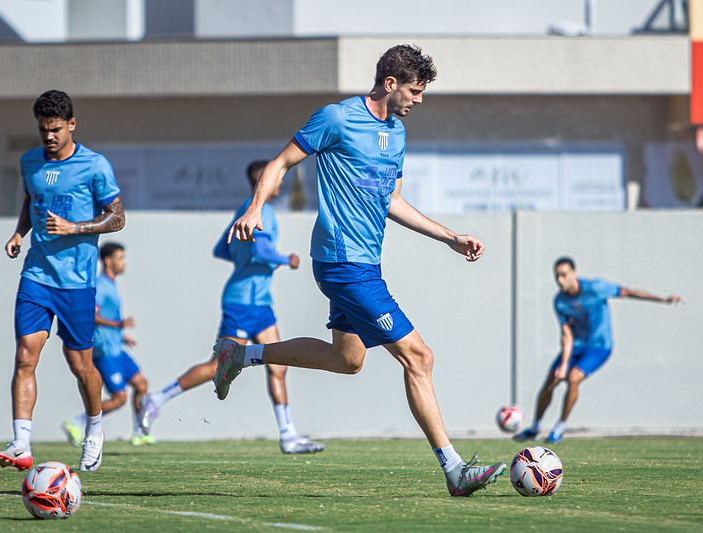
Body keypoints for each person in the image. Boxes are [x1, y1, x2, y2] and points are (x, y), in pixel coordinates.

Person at [215, 44, 506, 497]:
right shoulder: (336, 118)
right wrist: (255, 208)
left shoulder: (399, 135)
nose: (419, 100)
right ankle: (454, 469)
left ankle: (242, 355)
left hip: (364, 262)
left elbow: (393, 202)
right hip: (342, 262)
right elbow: (280, 163)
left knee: (347, 360)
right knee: (419, 357)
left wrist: (450, 237)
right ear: (390, 84)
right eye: (415, 90)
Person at [139, 161, 325, 455]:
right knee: (218, 366)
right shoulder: (263, 212)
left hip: (260, 302)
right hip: (241, 303)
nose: (280, 182)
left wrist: (245, 263)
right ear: (265, 180)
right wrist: (285, 259)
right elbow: (262, 251)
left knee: (278, 365)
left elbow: (221, 248)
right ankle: (157, 399)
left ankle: (288, 434)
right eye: (277, 177)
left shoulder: (245, 208)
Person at [0, 89, 124, 472]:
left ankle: (95, 430)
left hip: (77, 282)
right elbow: (31, 198)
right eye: (42, 130)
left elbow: (117, 217)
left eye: (55, 129)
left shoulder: (95, 165)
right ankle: (21, 443)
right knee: (24, 356)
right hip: (36, 276)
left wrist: (75, 227)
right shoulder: (29, 161)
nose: (48, 137)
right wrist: (20, 233)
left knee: (80, 365)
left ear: (71, 125)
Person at [516, 257, 684, 445]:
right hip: (576, 346)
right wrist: (563, 364)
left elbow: (628, 292)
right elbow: (566, 334)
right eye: (557, 277)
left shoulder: (596, 288)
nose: (560, 280)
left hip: (599, 347)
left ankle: (559, 427)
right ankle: (535, 427)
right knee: (552, 380)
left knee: (573, 378)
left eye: (564, 275)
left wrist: (663, 299)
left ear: (573, 274)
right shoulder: (560, 301)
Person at [62, 242, 156, 447]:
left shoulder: (112, 284)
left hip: (116, 348)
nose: (124, 262)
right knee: (119, 398)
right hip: (105, 351)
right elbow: (91, 316)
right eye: (120, 258)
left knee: (141, 384)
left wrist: (121, 336)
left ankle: (140, 431)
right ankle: (77, 422)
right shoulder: (101, 285)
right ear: (108, 260)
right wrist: (119, 324)